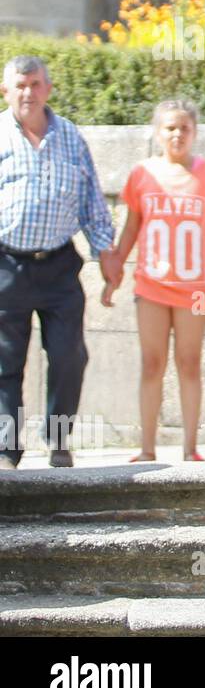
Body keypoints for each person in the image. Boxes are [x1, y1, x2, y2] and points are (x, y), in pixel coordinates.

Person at [0, 55, 120, 470]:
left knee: (70, 356)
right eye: (20, 85)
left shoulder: (69, 135)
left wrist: (107, 255)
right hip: (7, 265)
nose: (28, 93)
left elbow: (91, 202)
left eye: (35, 84)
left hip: (58, 266)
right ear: (6, 90)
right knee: (5, 362)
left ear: (48, 89)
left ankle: (58, 441)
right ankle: (7, 450)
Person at [102, 100, 205, 463]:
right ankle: (147, 448)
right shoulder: (142, 174)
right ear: (157, 132)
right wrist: (115, 271)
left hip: (194, 289)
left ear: (194, 132)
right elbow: (131, 227)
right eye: (170, 128)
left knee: (189, 361)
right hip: (152, 285)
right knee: (152, 362)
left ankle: (191, 448)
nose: (177, 134)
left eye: (184, 128)